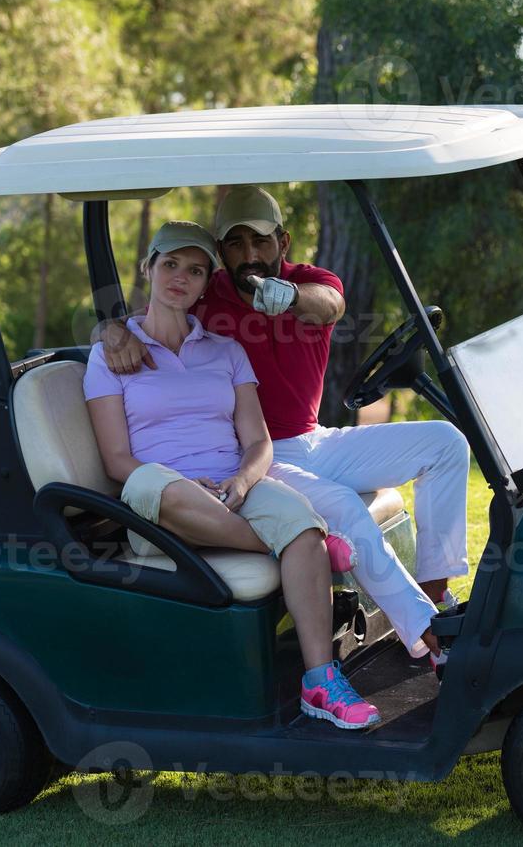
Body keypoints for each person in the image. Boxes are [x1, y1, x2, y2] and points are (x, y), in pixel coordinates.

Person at [100, 187, 470, 665]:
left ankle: (433, 590)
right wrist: (108, 330)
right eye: (235, 243)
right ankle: (428, 636)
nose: (250, 254)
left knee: (444, 442)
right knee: (342, 508)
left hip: (313, 438)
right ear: (220, 252)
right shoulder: (206, 294)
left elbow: (328, 306)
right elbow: (154, 311)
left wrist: (289, 298)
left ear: (284, 241)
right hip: (255, 453)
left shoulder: (312, 283)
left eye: (261, 241)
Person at [84, 220, 379, 729]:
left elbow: (259, 441)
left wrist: (242, 482)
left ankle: (320, 683)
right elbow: (116, 460)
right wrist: (183, 484)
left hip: (230, 488)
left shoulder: (225, 350)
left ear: (206, 284)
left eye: (196, 270)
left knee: (297, 520)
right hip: (158, 498)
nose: (181, 278)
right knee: (285, 531)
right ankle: (290, 543)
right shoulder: (112, 353)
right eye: (170, 264)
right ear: (148, 268)